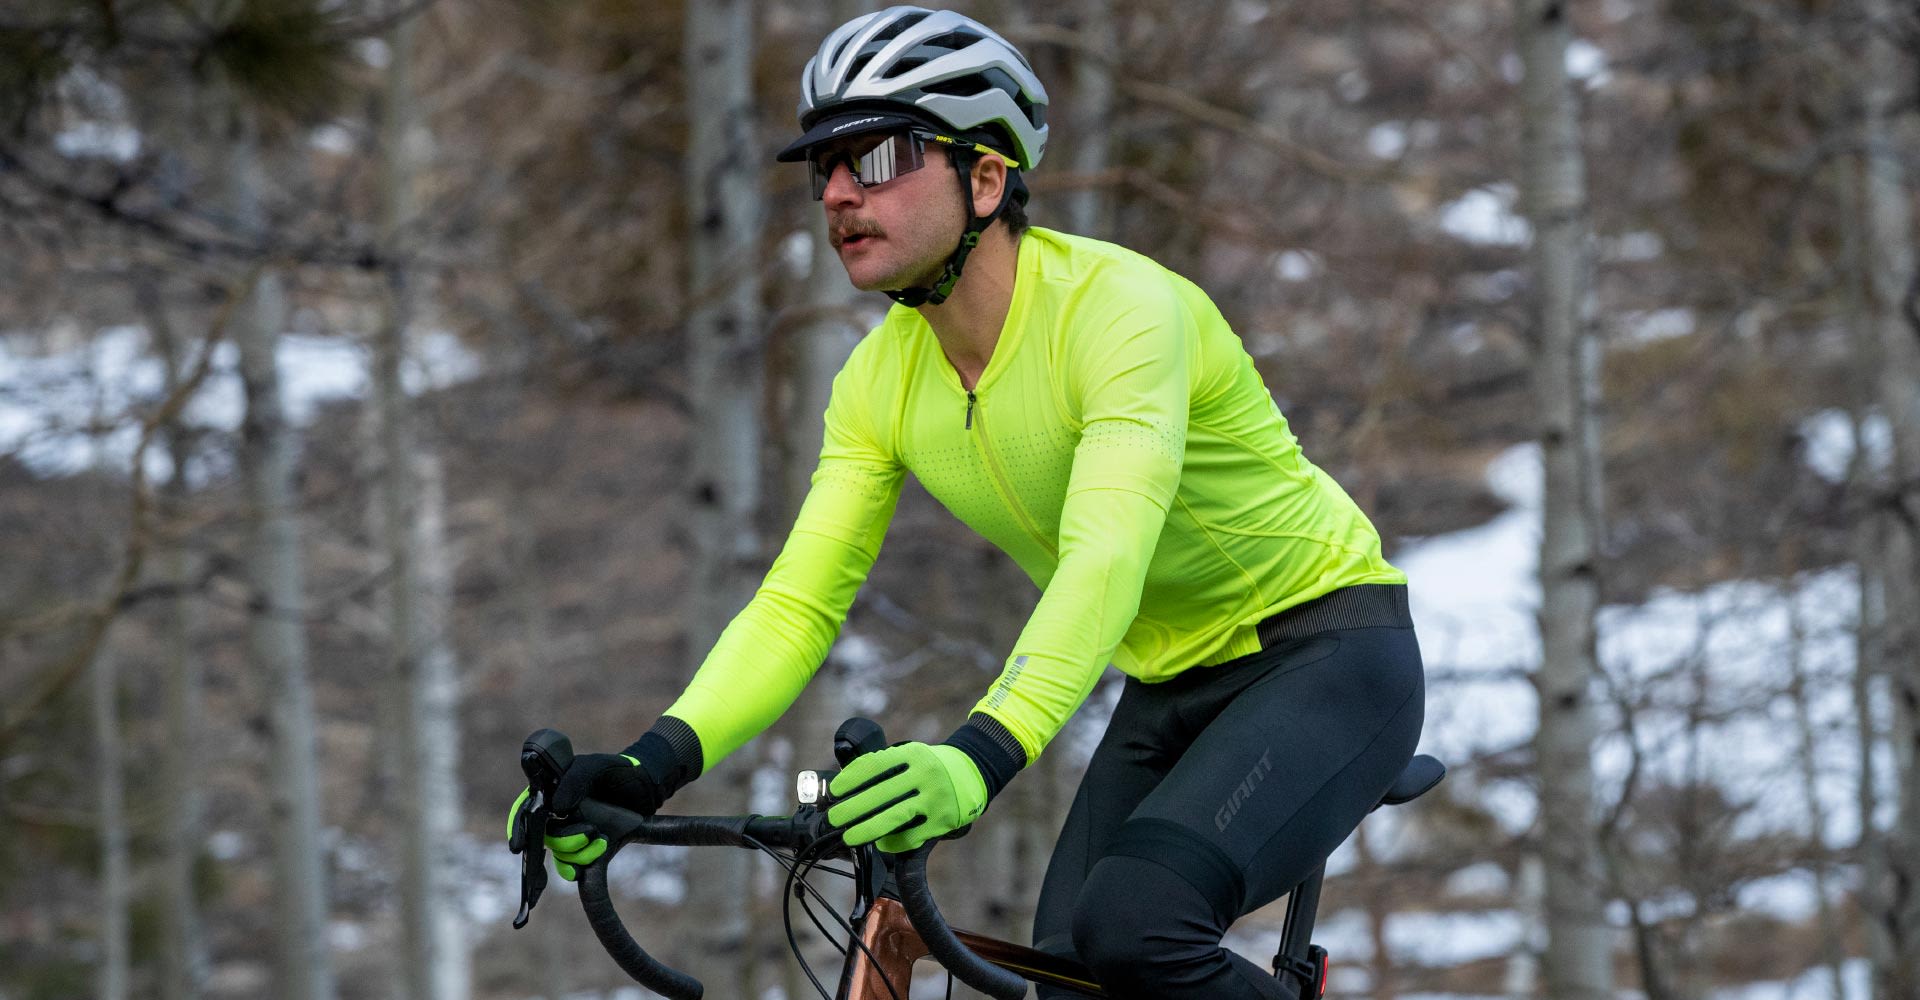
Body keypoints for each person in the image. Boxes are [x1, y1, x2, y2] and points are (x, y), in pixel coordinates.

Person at [506, 7, 1424, 998]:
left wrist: (979, 757)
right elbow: (797, 604)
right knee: (1069, 974)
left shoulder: (1125, 312)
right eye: (826, 166)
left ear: (988, 178)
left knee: (1135, 930)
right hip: (1170, 682)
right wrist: (647, 769)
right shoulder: (878, 383)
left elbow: (1105, 555)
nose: (842, 193)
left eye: (882, 156)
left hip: (1326, 655)